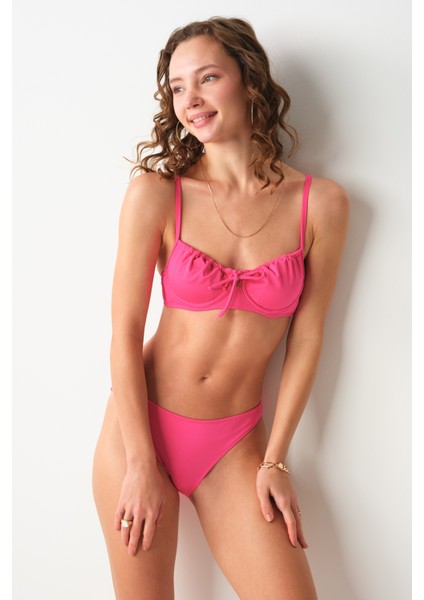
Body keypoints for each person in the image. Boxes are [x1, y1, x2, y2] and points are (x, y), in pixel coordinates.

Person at [92, 16, 349, 600]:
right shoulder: (157, 194)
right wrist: (139, 463)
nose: (190, 99)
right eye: (178, 86)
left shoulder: (321, 205)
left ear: (249, 79)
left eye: (207, 78)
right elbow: (124, 332)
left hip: (236, 445)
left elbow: (308, 337)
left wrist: (276, 460)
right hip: (141, 430)